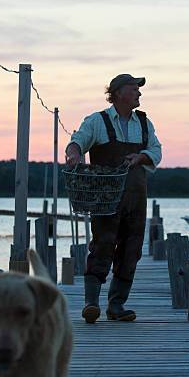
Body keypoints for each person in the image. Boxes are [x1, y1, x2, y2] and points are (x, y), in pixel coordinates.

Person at [65, 74, 162, 323]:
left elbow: (156, 151)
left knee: (132, 250)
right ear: (118, 93)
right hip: (104, 199)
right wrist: (74, 154)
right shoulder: (97, 120)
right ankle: (91, 304)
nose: (139, 94)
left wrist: (140, 157)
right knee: (102, 245)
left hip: (136, 197)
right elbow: (76, 143)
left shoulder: (144, 122)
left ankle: (116, 306)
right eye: (134, 89)